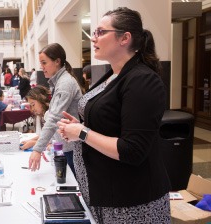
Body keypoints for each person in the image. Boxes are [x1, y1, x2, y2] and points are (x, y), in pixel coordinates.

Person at [57, 7, 170, 223]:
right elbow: (108, 123)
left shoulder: (143, 81)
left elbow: (133, 150)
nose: (93, 38)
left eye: (100, 32)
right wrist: (79, 127)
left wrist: (82, 132)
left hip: (132, 202)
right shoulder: (114, 75)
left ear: (124, 38)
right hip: (105, 193)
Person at [28, 43, 83, 177]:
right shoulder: (59, 82)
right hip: (65, 145)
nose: (42, 67)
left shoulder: (65, 84)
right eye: (41, 63)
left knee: (73, 185)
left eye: (44, 63)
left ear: (57, 61)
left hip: (71, 148)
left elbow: (54, 118)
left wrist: (37, 149)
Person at [20, 85, 51, 150]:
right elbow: (45, 135)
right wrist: (30, 140)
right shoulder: (44, 115)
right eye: (31, 106)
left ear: (41, 100)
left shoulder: (49, 114)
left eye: (33, 105)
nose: (33, 109)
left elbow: (54, 141)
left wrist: (33, 143)